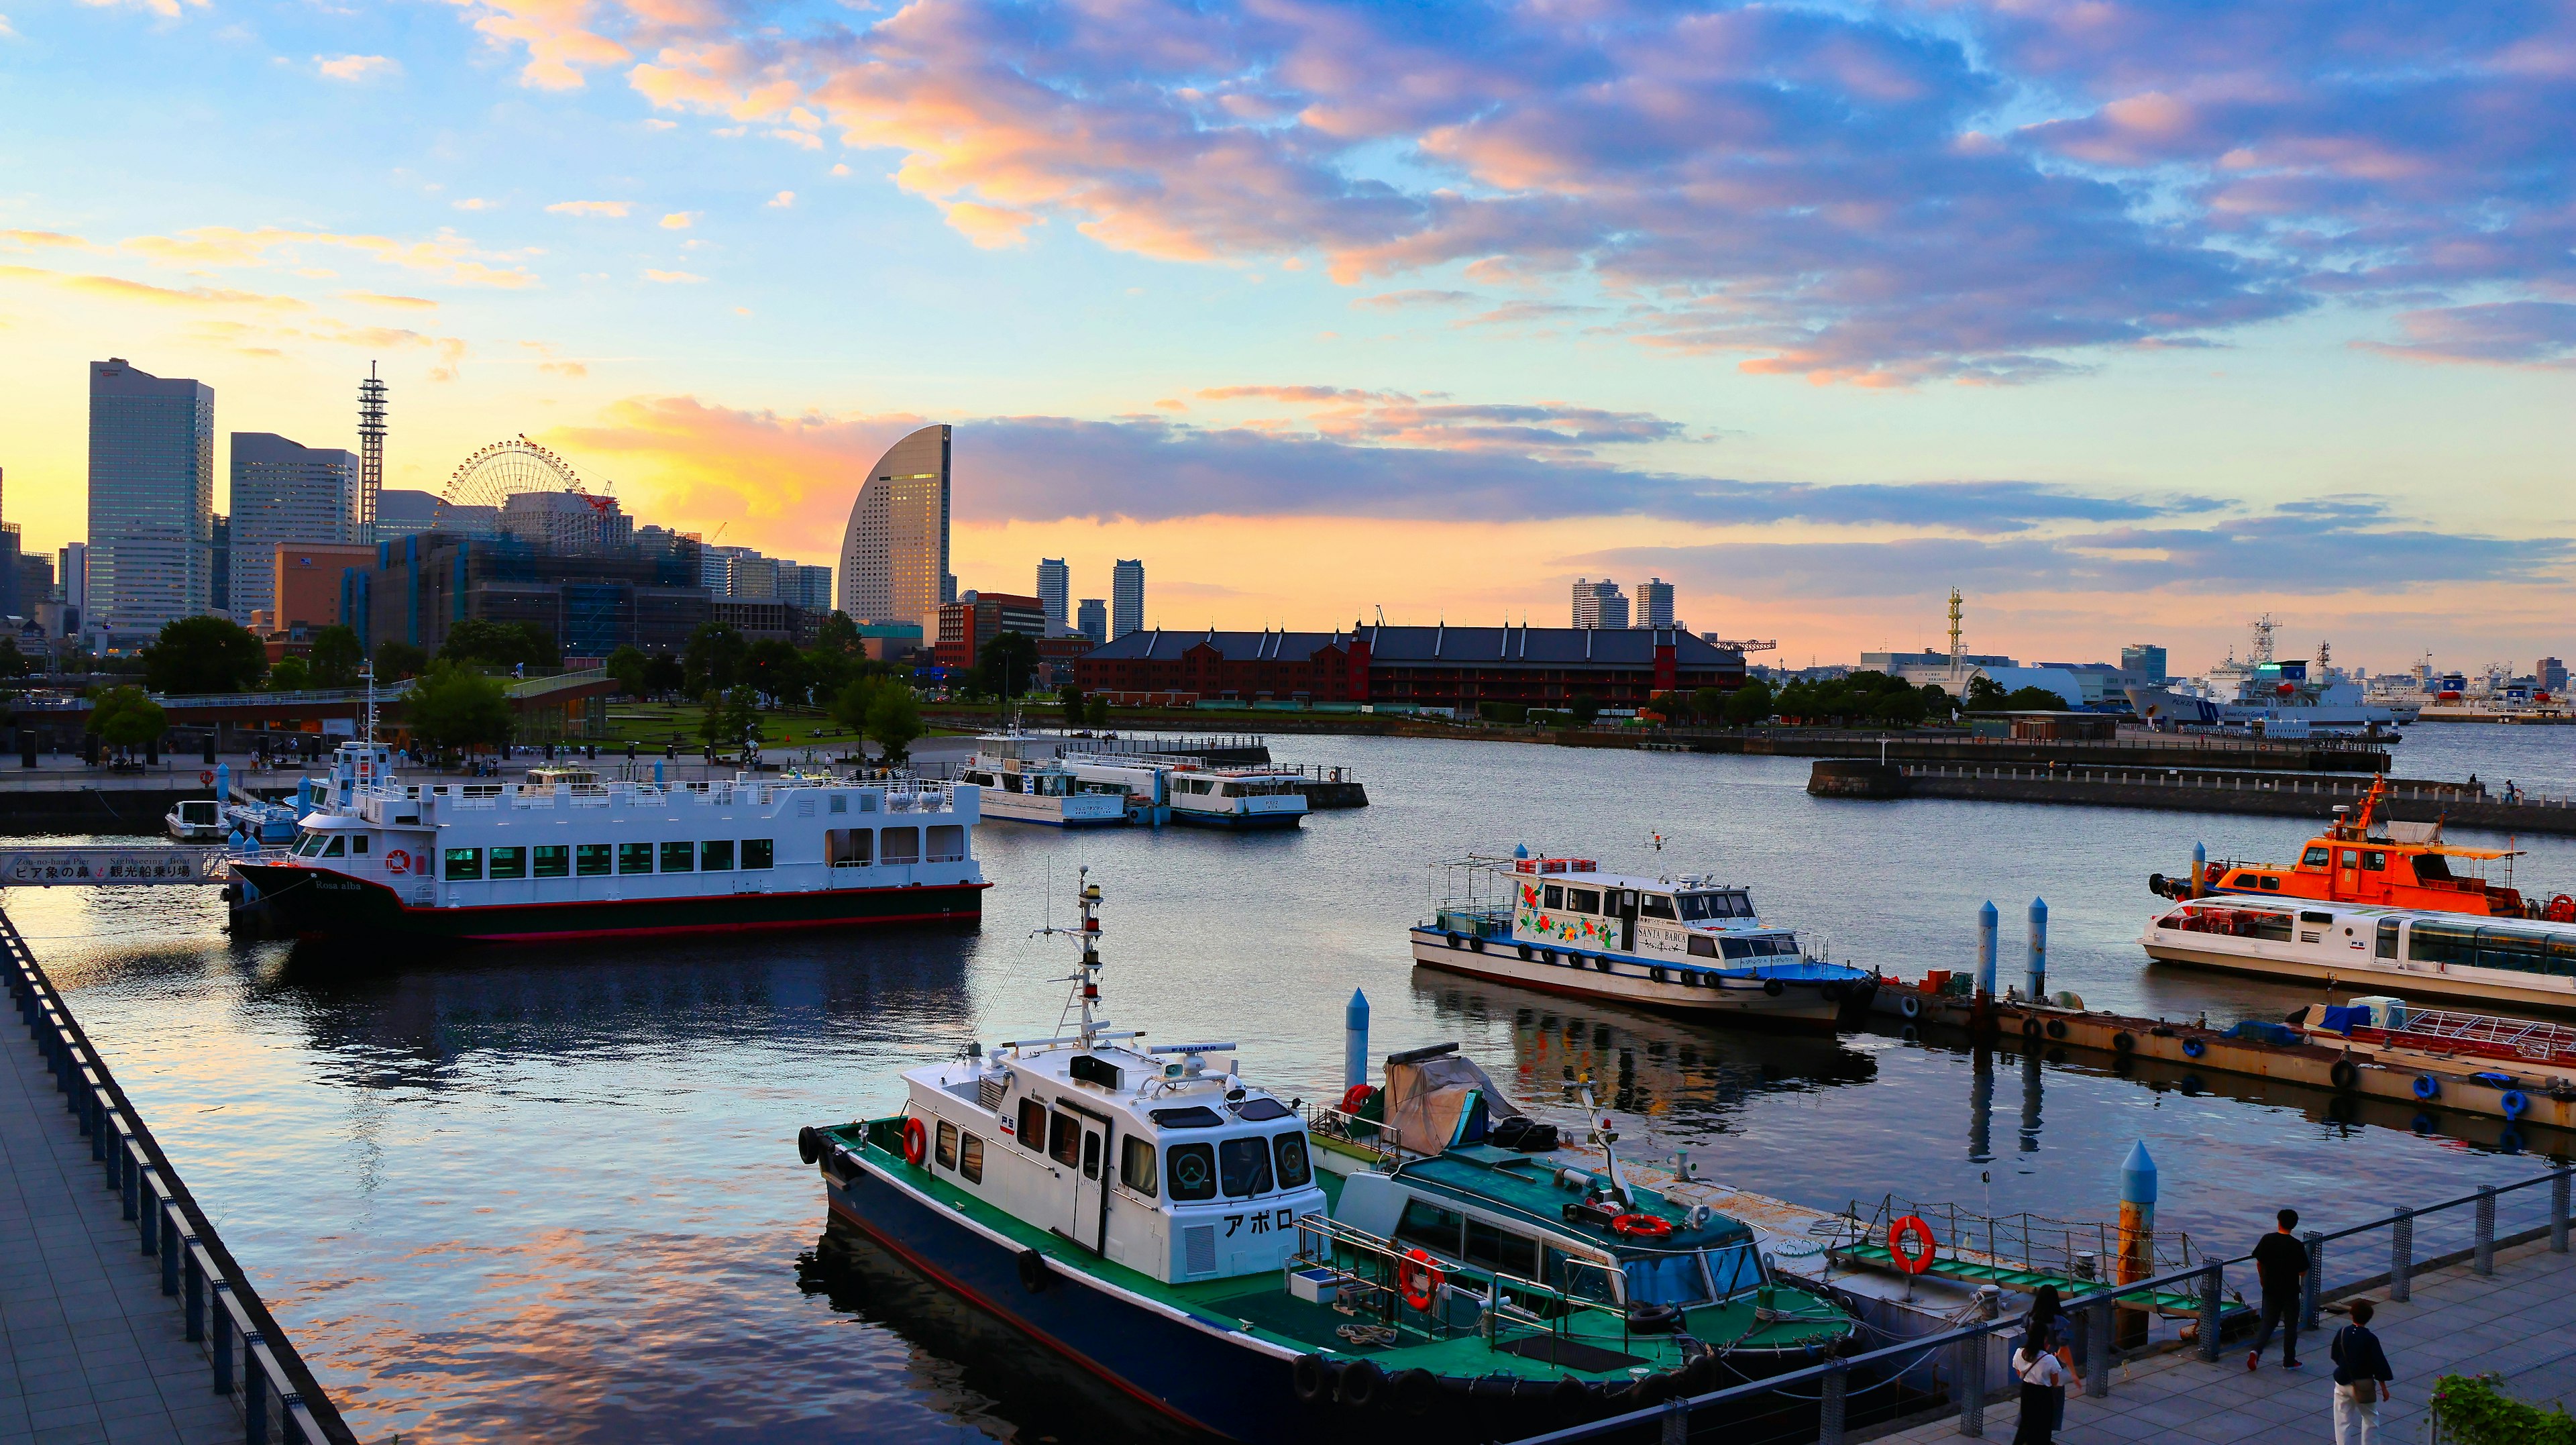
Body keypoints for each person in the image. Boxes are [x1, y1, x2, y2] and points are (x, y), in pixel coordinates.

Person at [2249, 1207, 2310, 1371]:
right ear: (2294, 1225)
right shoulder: (2296, 1245)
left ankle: (2256, 1351)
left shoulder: (2267, 1239)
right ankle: (2289, 1361)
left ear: (2279, 1222)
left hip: (2270, 1288)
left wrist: (2263, 1279)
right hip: (2290, 1291)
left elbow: (2259, 1262)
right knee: (2291, 1326)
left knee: (2268, 1323)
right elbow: (2303, 1271)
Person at [2330, 1299, 2394, 1444]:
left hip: (2342, 1381)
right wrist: (2384, 1388)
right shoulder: (2370, 1338)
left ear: (2352, 1315)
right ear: (2369, 1318)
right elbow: (2379, 1364)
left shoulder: (2342, 1332)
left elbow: (2335, 1355)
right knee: (2370, 1418)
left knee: (2342, 1420)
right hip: (2363, 1385)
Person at [2012, 1322, 2071, 1444]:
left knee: (2027, 1420)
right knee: (2044, 1423)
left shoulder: (2019, 1353)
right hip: (2043, 1393)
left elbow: (2020, 1375)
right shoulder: (2049, 1359)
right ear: (2045, 1338)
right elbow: (2055, 1382)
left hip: (2027, 1391)